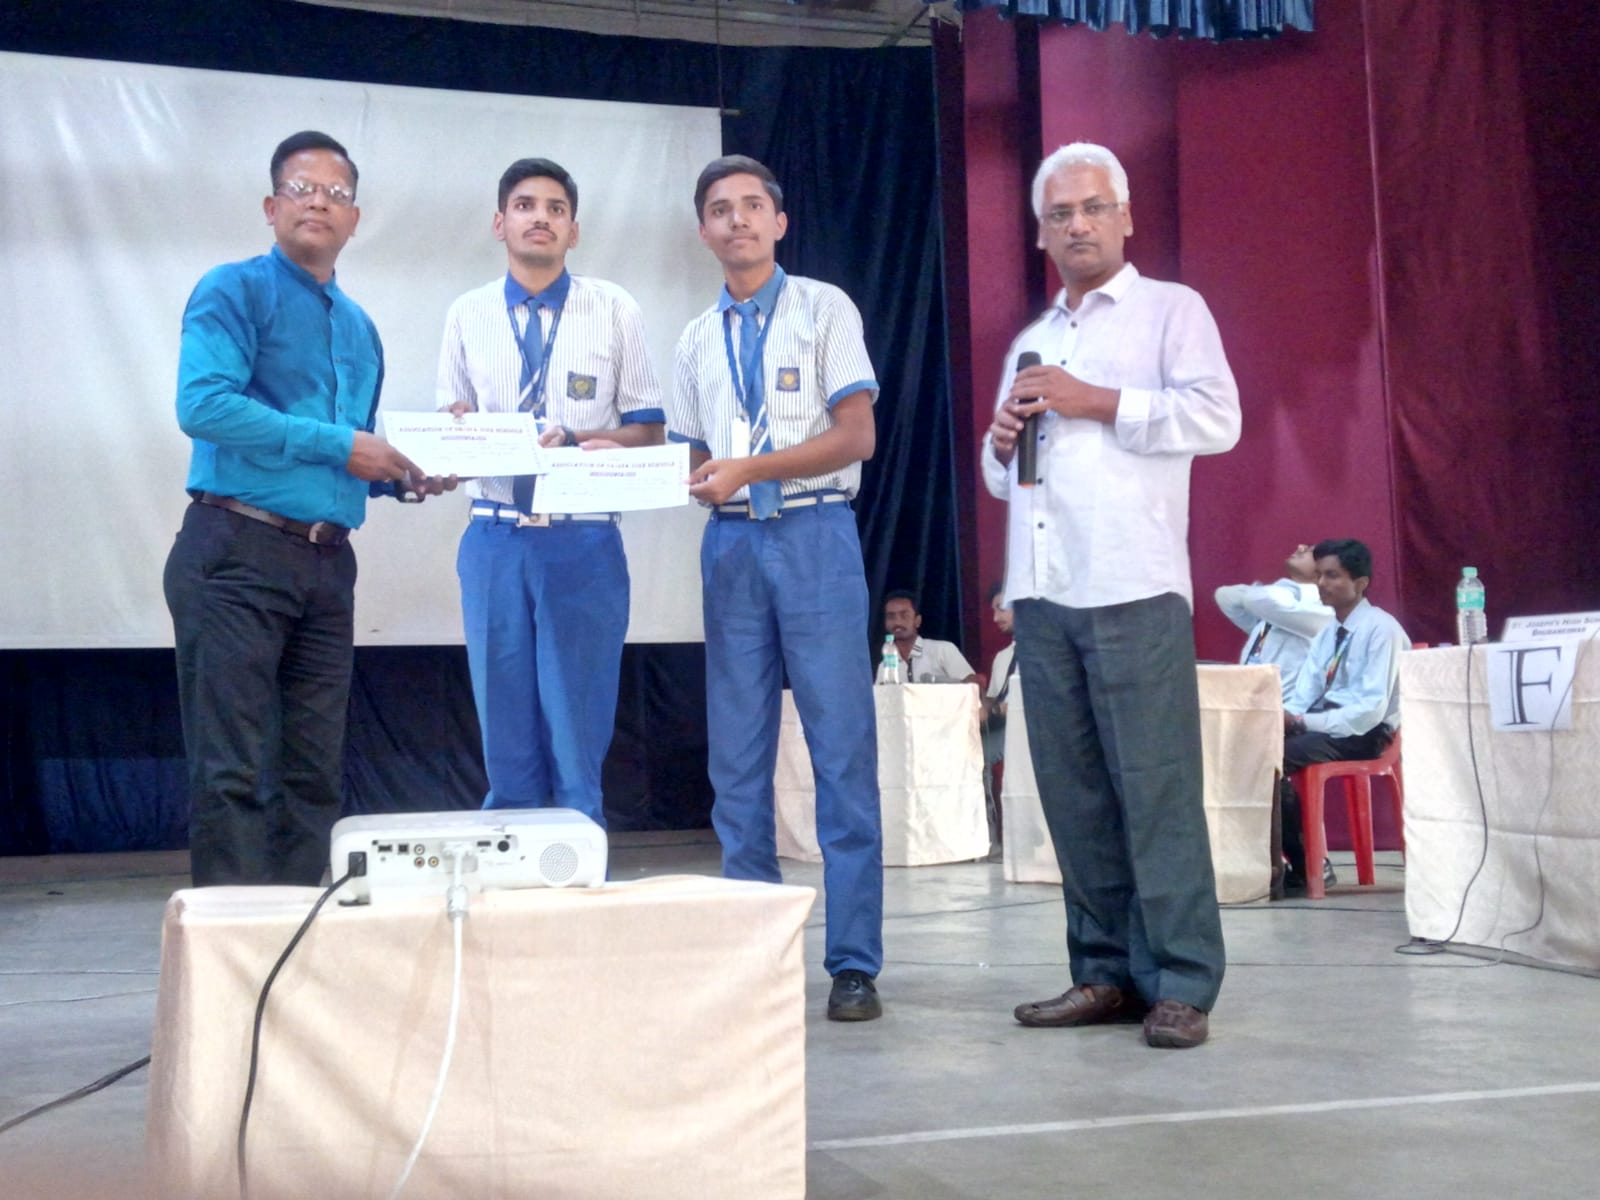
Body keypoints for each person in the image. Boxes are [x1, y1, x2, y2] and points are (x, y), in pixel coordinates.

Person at [982, 142, 1240, 1049]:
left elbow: (1217, 417)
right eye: (1060, 214)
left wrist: (1097, 400)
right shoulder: (1033, 339)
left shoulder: (1172, 310)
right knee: (1075, 796)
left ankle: (1181, 981)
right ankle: (1102, 973)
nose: (1078, 226)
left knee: (1156, 790)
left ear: (1125, 216)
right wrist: (1001, 443)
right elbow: (1005, 478)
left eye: (1094, 208)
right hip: (1044, 592)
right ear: (1040, 232)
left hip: (1133, 585)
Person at [164, 131, 451, 887]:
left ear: (355, 219)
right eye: (301, 188)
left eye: (336, 193)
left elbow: (347, 459)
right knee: (233, 773)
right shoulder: (234, 289)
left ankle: (297, 940)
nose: (319, 201)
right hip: (237, 551)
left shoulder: (360, 328)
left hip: (327, 564)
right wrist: (343, 446)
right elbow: (203, 406)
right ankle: (236, 952)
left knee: (314, 773)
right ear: (271, 207)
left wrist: (405, 474)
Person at [669, 154, 884, 1022]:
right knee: (737, 757)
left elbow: (857, 435)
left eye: (753, 205)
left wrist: (749, 467)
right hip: (730, 544)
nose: (738, 220)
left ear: (780, 221)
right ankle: (753, 954)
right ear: (704, 231)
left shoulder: (825, 308)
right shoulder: (693, 338)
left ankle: (854, 962)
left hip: (814, 534)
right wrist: (613, 461)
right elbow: (691, 456)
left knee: (841, 753)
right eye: (721, 210)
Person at [435, 158, 664, 827]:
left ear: (574, 230)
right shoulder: (467, 313)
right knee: (503, 719)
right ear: (499, 222)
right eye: (526, 205)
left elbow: (648, 430)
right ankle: (510, 858)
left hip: (582, 535)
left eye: (556, 208)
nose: (541, 217)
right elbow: (451, 424)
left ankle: (578, 853)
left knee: (577, 723)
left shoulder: (614, 308)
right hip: (495, 534)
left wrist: (586, 439)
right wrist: (454, 436)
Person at [1278, 538, 1410, 896]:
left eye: (1332, 576)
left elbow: (1369, 711)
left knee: (1275, 758)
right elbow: (1303, 696)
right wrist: (1285, 716)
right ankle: (1281, 863)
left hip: (1366, 733)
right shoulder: (1327, 634)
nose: (1321, 584)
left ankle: (1308, 864)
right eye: (1319, 575)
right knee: (1253, 751)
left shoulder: (1381, 629)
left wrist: (1302, 723)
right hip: (1326, 726)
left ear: (1360, 583)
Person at [1214, 543, 1333, 702]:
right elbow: (1225, 596)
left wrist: (1290, 589)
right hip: (1247, 702)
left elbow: (1255, 599)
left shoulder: (1322, 614)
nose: (1300, 547)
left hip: (1284, 711)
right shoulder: (1274, 613)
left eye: (1311, 550)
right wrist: (1286, 591)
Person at [981, 582, 1017, 842]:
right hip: (1004, 726)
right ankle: (988, 836)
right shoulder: (1003, 657)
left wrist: (995, 709)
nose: (995, 618)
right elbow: (993, 699)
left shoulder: (1044, 652)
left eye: (1001, 608)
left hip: (1031, 726)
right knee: (971, 756)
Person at [882, 589, 978, 684]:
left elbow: (973, 685)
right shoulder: (884, 666)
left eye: (904, 616)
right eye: (891, 616)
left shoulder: (942, 650)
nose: (897, 622)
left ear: (917, 621)